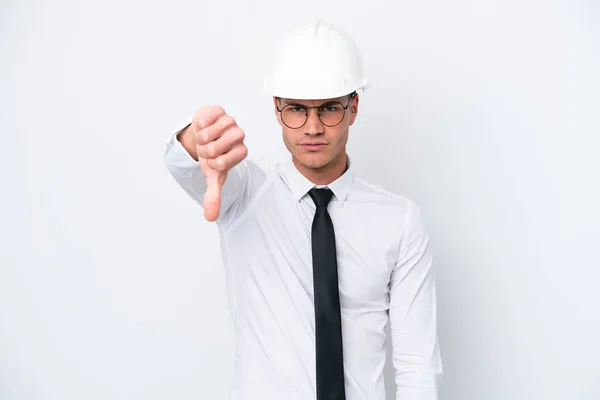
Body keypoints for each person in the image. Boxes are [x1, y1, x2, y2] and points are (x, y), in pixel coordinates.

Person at [164, 18, 442, 400]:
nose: (312, 127)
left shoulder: (400, 221)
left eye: (328, 109)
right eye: (297, 109)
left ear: (354, 107)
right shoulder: (246, 192)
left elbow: (417, 366)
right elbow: (182, 162)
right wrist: (197, 138)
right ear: (277, 108)